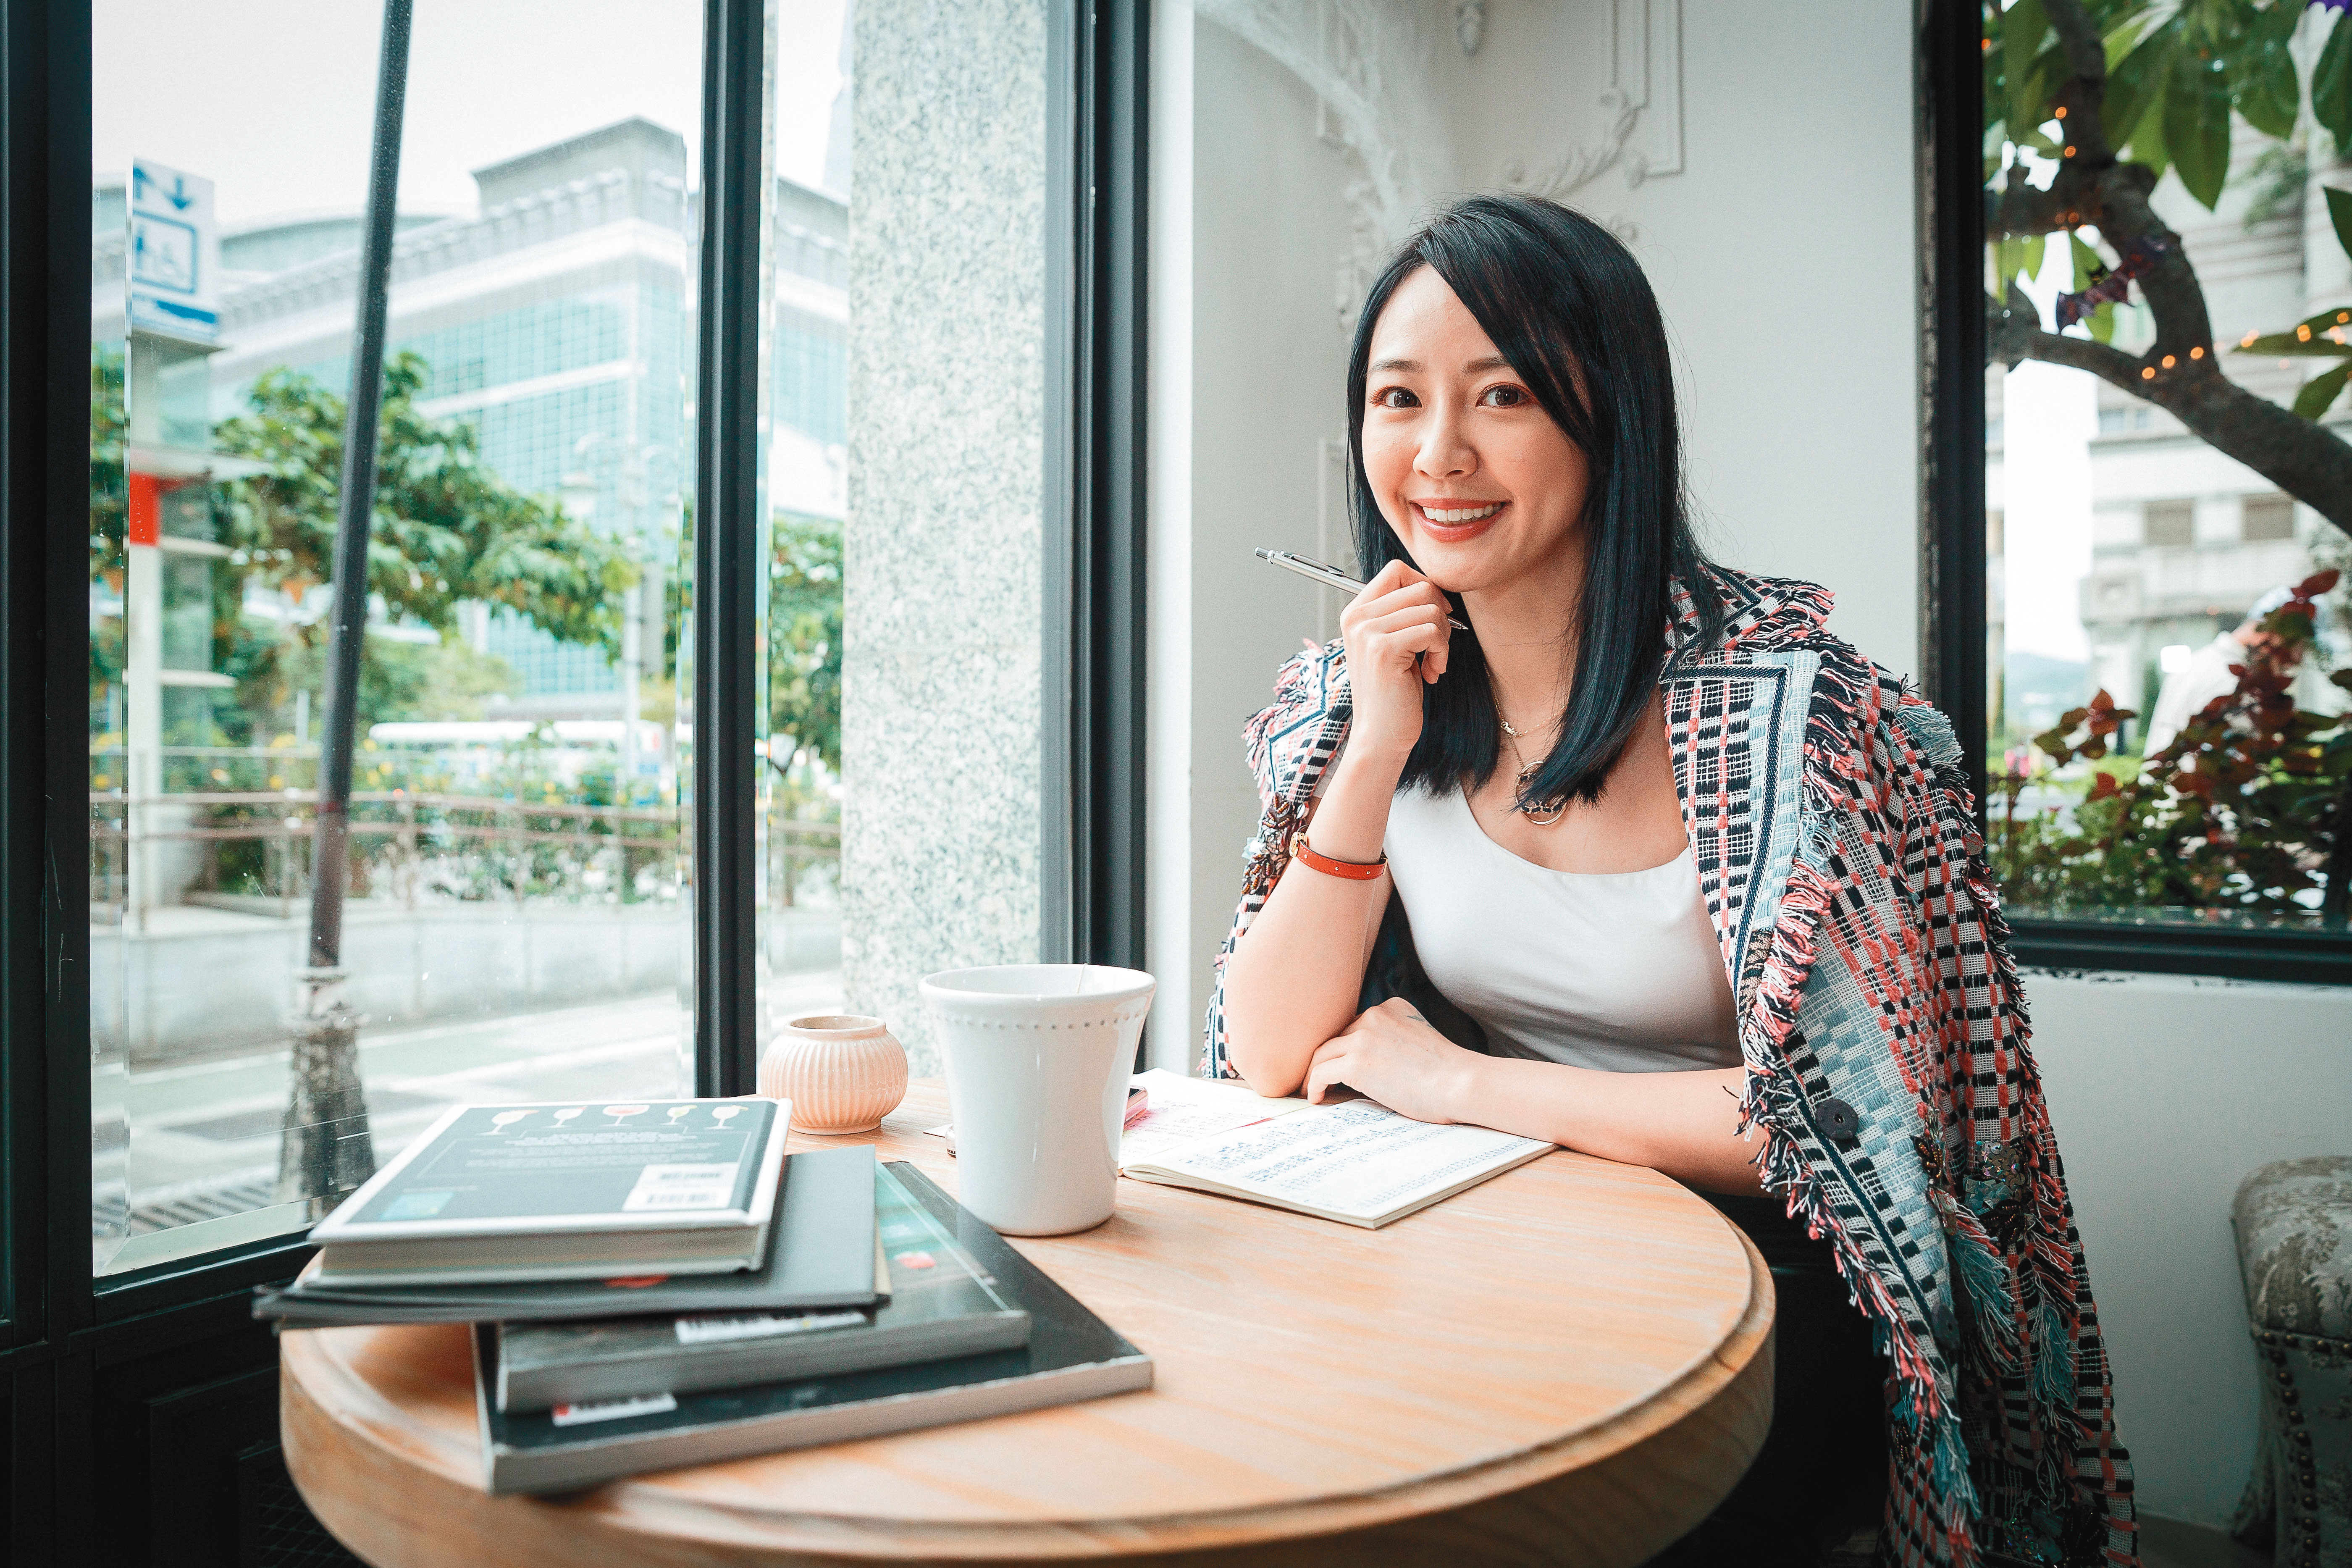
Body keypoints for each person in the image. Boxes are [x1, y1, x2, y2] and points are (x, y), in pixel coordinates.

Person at [1208, 194, 2135, 1568]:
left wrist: (1460, 1085)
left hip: (1773, 1277)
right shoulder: (1360, 704)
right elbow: (1269, 1056)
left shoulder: (1805, 725)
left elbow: (1850, 1137)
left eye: (1503, 393)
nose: (1439, 453)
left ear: (1608, 415)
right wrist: (1376, 744)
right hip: (1502, 1237)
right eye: (1397, 398)